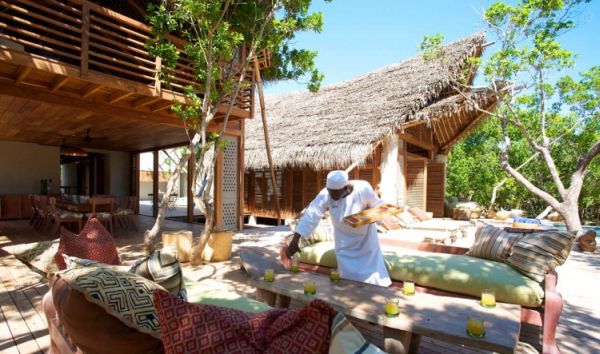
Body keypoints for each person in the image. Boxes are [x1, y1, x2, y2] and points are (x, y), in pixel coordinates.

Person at [284, 170, 391, 287]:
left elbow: (378, 205)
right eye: (330, 192)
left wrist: (374, 217)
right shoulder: (325, 194)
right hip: (343, 241)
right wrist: (295, 240)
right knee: (347, 279)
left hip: (366, 241)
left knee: (372, 276)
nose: (332, 196)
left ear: (346, 188)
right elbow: (311, 215)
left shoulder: (363, 188)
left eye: (335, 193)